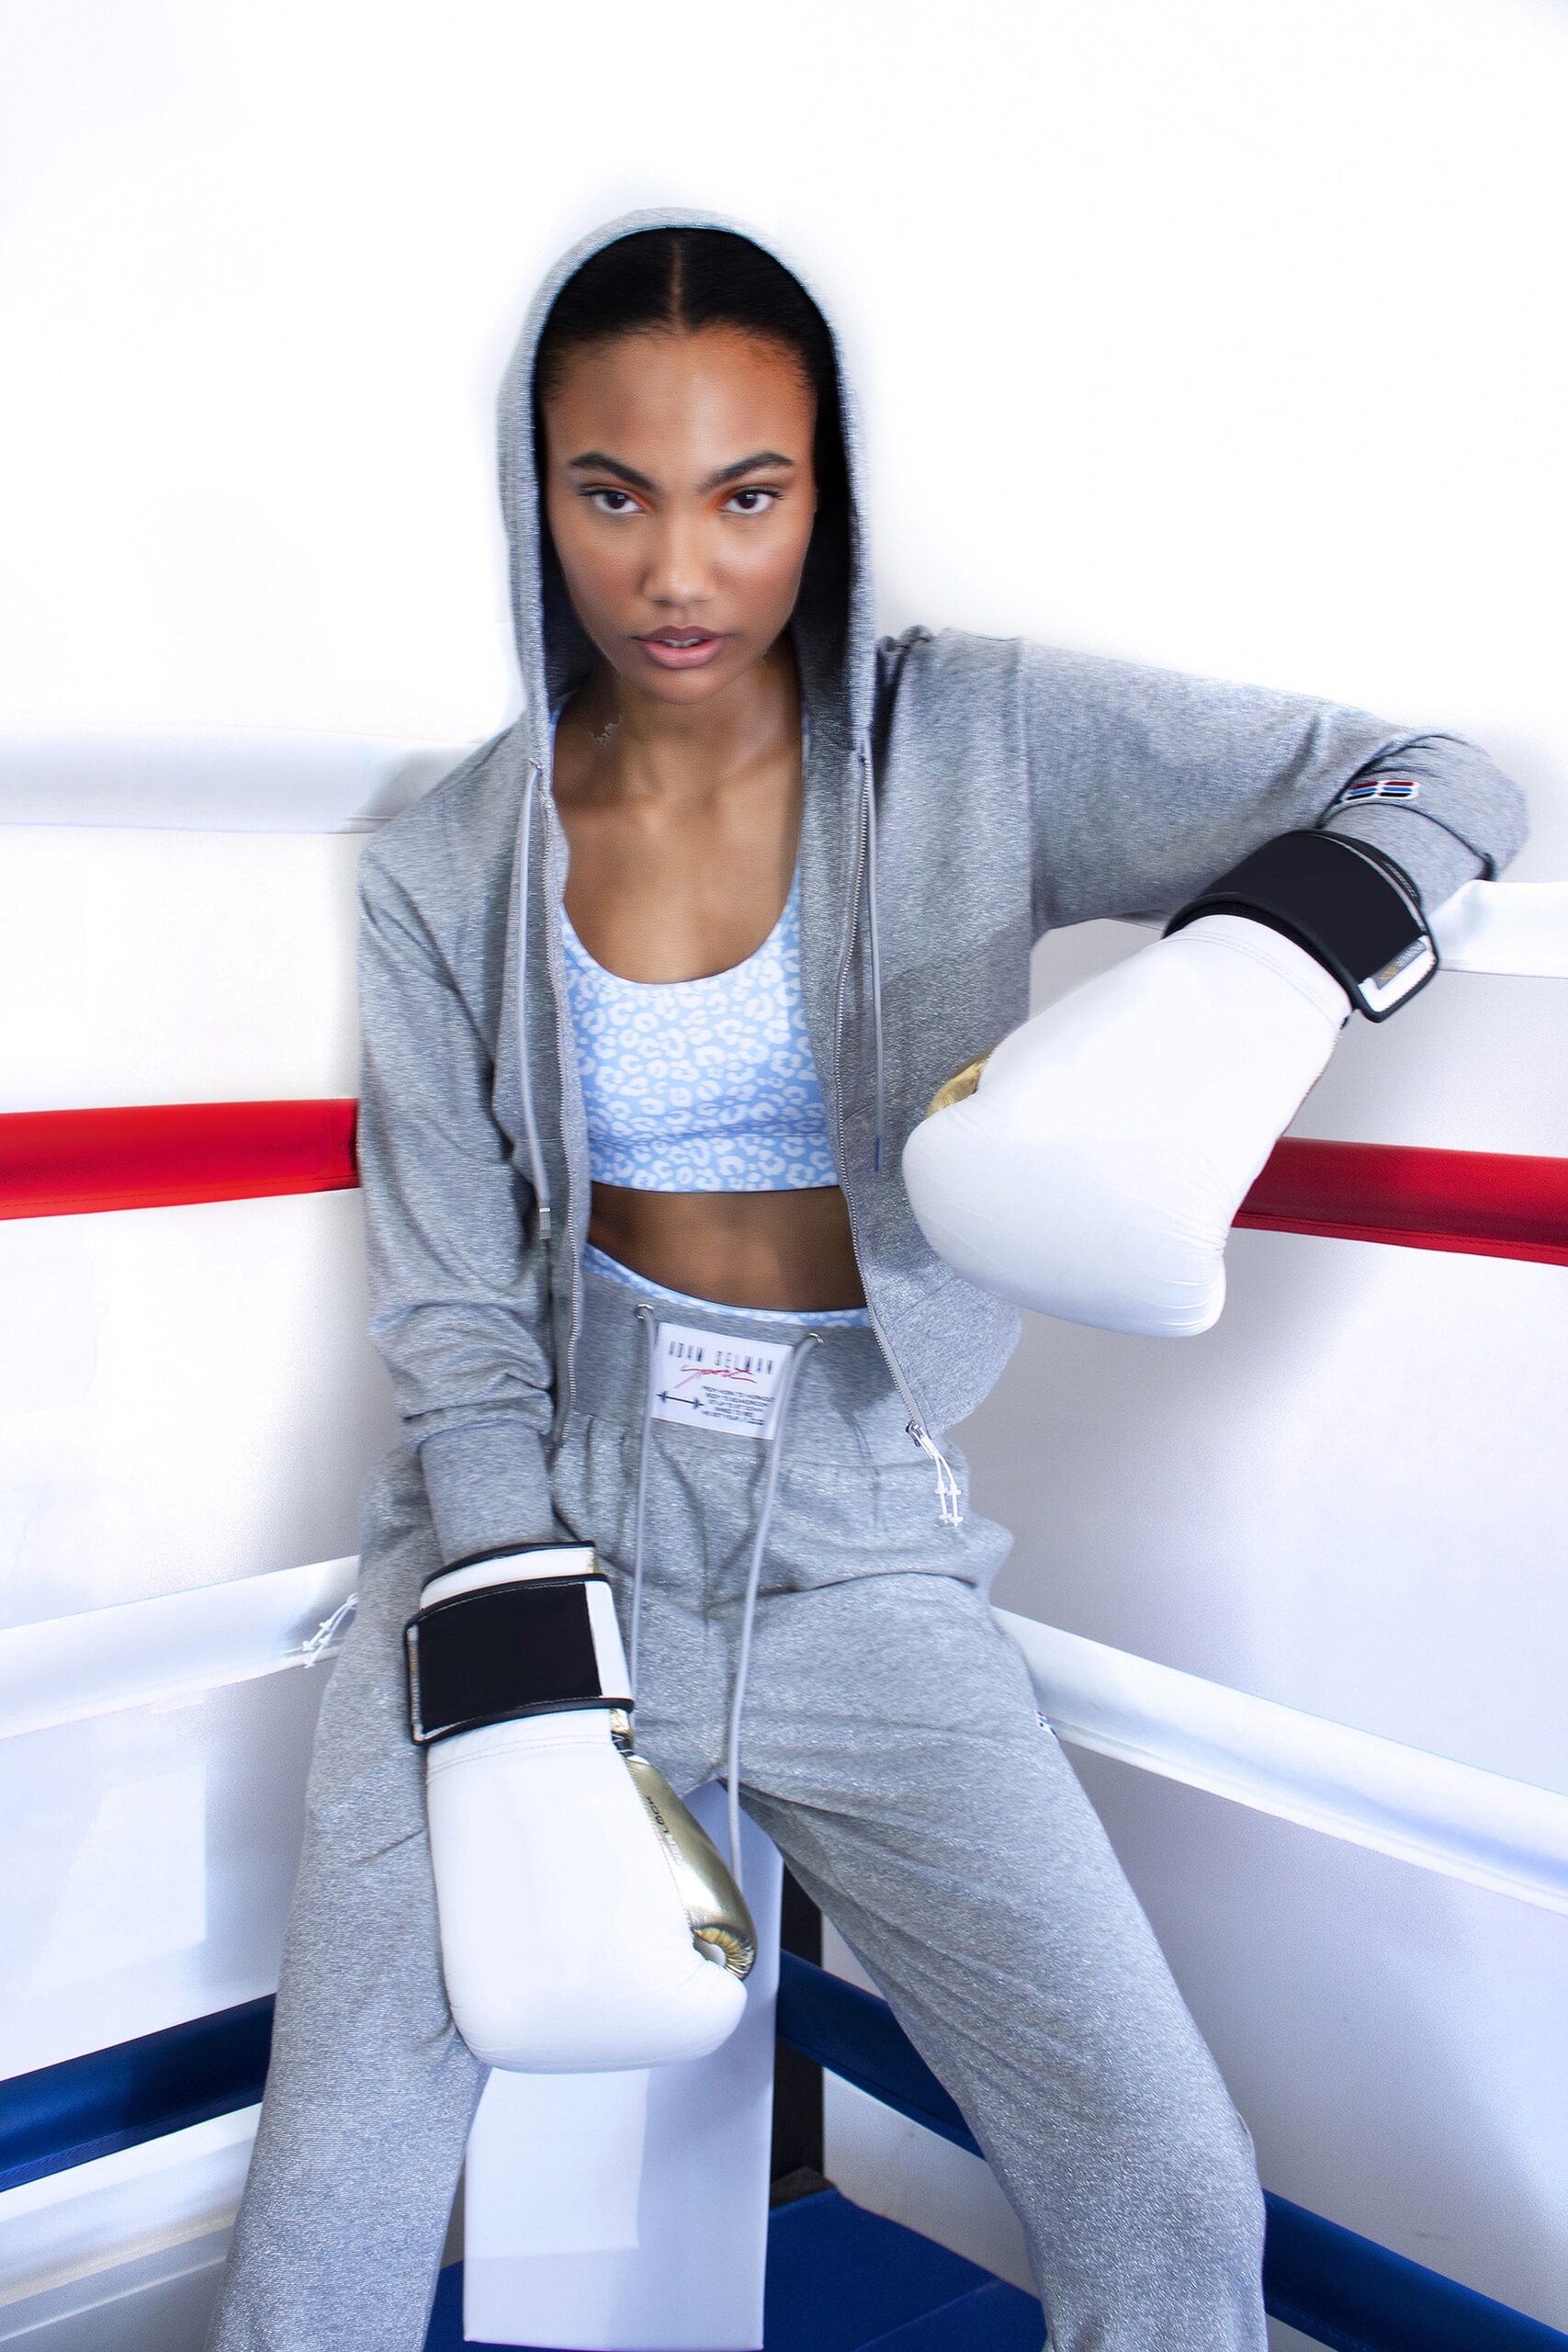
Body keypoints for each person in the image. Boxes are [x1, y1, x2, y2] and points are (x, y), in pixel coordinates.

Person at [203, 204, 1527, 2352]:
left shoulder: (980, 739)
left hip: (852, 1542)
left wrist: (1264, 961)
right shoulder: (452, 856)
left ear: (825, 500)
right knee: (328, 2231)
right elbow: (454, 1301)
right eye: (608, 493)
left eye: (747, 495)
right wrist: (530, 1617)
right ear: (531, 496)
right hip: (525, 1525)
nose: (674, 573)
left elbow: (1441, 782)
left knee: (1163, 2187)